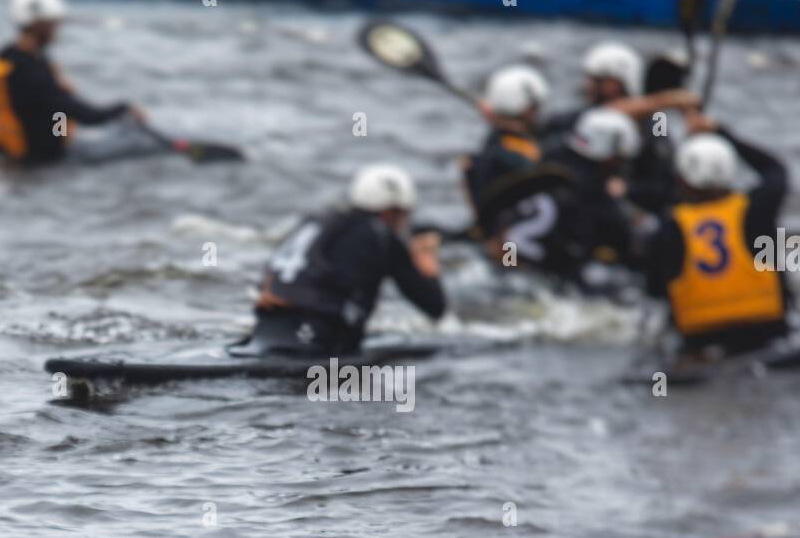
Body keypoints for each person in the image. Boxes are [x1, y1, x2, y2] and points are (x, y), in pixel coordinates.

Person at [251, 165, 446, 356]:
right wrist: (427, 262)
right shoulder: (380, 234)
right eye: (403, 214)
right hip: (318, 340)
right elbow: (434, 306)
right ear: (390, 212)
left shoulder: (316, 220)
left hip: (266, 326)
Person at [642, 113, 794, 354]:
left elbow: (654, 290)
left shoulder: (668, 227)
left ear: (682, 180)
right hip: (766, 331)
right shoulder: (756, 210)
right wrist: (722, 132)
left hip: (699, 340)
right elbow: (775, 171)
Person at [0, 0, 145, 165]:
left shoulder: (9, 56)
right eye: (53, 24)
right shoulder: (29, 71)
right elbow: (83, 114)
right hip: (39, 160)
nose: (57, 30)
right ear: (37, 25)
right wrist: (122, 109)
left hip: (29, 149)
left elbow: (59, 114)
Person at [487, 108, 642, 288]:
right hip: (539, 280)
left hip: (503, 259)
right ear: (610, 157)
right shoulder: (599, 203)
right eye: (619, 159)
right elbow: (625, 248)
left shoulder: (546, 159)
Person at [544, 41, 699, 214]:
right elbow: (601, 115)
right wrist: (665, 100)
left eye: (600, 81)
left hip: (632, 208)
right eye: (591, 79)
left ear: (623, 82)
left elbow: (664, 184)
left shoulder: (656, 123)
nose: (590, 86)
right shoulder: (577, 119)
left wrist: (628, 189)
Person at [462, 65, 550, 229]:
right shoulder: (524, 152)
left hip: (501, 238)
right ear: (528, 109)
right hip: (515, 239)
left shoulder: (486, 150)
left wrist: (497, 118)